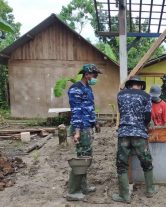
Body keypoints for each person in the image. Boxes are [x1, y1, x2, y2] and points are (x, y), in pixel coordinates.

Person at [112, 76, 157, 203]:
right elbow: (147, 116)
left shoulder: (120, 95)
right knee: (146, 162)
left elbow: (122, 111)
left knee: (122, 165)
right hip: (139, 134)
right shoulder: (146, 96)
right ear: (141, 85)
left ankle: (124, 196)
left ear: (129, 84)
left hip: (124, 134)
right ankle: (150, 190)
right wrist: (142, 126)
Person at [66, 64, 101, 201]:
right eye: (95, 75)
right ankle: (73, 192)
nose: (96, 78)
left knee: (86, 158)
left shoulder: (87, 88)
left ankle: (83, 186)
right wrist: (77, 132)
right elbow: (76, 112)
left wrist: (95, 123)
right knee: (81, 160)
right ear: (87, 74)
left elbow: (90, 108)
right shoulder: (76, 89)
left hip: (87, 126)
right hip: (80, 127)